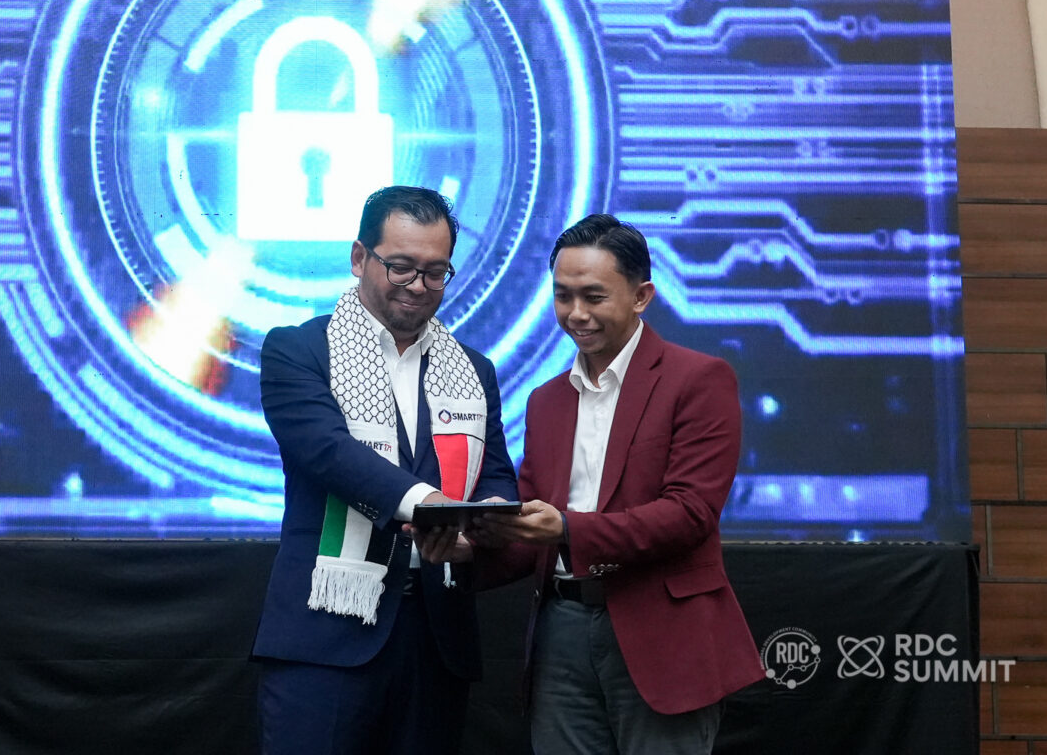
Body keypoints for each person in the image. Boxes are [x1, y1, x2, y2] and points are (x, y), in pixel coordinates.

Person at [470, 213, 764, 755]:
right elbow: (534, 530)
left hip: (663, 632)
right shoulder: (546, 400)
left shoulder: (698, 379)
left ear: (642, 296)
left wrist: (565, 529)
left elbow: (691, 514)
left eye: (594, 296)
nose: (575, 313)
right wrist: (473, 542)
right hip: (560, 630)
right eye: (562, 296)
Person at [252, 185, 519, 755]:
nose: (417, 285)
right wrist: (431, 504)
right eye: (401, 266)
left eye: (435, 272)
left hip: (437, 635)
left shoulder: (473, 370)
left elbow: (495, 476)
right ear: (359, 258)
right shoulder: (299, 350)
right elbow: (330, 454)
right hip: (328, 632)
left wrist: (484, 524)